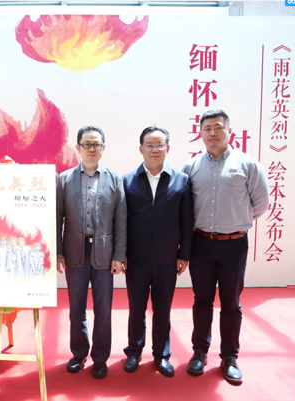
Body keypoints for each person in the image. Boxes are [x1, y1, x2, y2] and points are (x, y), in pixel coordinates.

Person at [182, 110, 269, 385]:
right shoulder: (191, 167)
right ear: (200, 133)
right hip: (200, 243)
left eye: (218, 127)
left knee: (231, 303)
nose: (212, 133)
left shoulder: (248, 165)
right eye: (207, 128)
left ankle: (229, 357)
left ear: (229, 131)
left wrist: (236, 220)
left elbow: (261, 203)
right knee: (202, 300)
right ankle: (199, 352)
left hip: (234, 244)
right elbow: (185, 207)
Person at [122, 126, 194, 377]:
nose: (155, 149)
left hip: (167, 259)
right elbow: (122, 221)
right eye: (149, 145)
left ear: (168, 148)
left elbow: (187, 220)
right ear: (141, 149)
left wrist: (184, 254)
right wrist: (121, 253)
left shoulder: (181, 180)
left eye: (159, 144)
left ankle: (162, 355)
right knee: (136, 309)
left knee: (162, 310)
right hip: (136, 259)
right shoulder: (127, 181)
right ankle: (133, 352)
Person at [56, 125, 127, 379]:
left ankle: (100, 357)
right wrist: (58, 252)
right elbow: (58, 217)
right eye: (87, 144)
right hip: (74, 251)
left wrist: (119, 255)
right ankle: (78, 353)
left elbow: (121, 220)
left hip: (104, 254)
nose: (92, 148)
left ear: (103, 148)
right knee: (76, 309)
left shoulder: (114, 179)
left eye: (96, 144)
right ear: (78, 148)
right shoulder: (65, 179)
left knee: (103, 310)